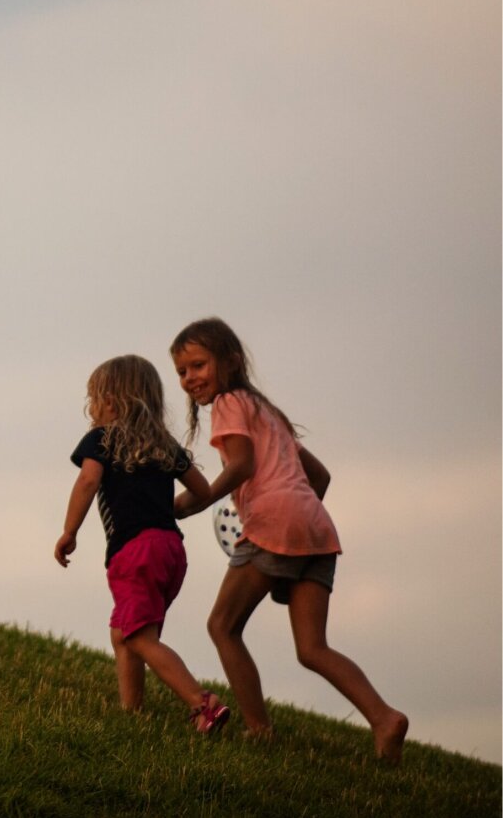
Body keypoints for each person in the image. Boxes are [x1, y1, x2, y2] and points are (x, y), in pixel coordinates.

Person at [170, 317, 408, 764]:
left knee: (222, 626)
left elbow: (239, 465)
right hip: (317, 526)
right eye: (182, 371)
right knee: (313, 648)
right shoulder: (267, 412)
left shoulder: (228, 403)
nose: (190, 379)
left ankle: (259, 731)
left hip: (276, 523)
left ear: (232, 362)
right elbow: (320, 476)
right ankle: (384, 717)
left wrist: (195, 501)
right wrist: (296, 519)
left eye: (199, 365)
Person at [54, 354, 230, 734]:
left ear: (113, 402)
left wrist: (70, 532)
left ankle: (203, 704)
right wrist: (170, 510)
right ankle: (131, 713)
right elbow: (203, 490)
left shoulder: (100, 439)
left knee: (139, 636)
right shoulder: (164, 444)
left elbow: (87, 482)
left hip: (133, 552)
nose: (92, 409)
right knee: (124, 633)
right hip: (170, 549)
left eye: (94, 400)